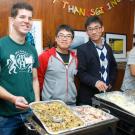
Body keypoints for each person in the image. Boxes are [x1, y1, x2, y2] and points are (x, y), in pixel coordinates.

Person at [0, 2, 40, 135]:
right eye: (22, 17)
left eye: (29, 18)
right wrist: (13, 99)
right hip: (6, 117)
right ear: (12, 20)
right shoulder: (1, 45)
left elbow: (34, 79)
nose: (26, 21)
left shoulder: (32, 49)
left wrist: (37, 104)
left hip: (29, 113)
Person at [77, 16, 117, 105]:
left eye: (96, 28)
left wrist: (110, 82)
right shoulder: (82, 49)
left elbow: (114, 67)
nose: (94, 32)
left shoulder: (108, 48)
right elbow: (81, 72)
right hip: (88, 96)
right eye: (90, 29)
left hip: (106, 94)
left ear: (102, 29)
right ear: (87, 32)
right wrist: (95, 82)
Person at [38, 24, 78, 105]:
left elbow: (75, 80)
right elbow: (38, 80)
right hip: (51, 105)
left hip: (72, 104)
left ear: (72, 40)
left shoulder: (75, 58)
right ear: (56, 38)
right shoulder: (45, 56)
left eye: (68, 36)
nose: (64, 39)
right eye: (61, 35)